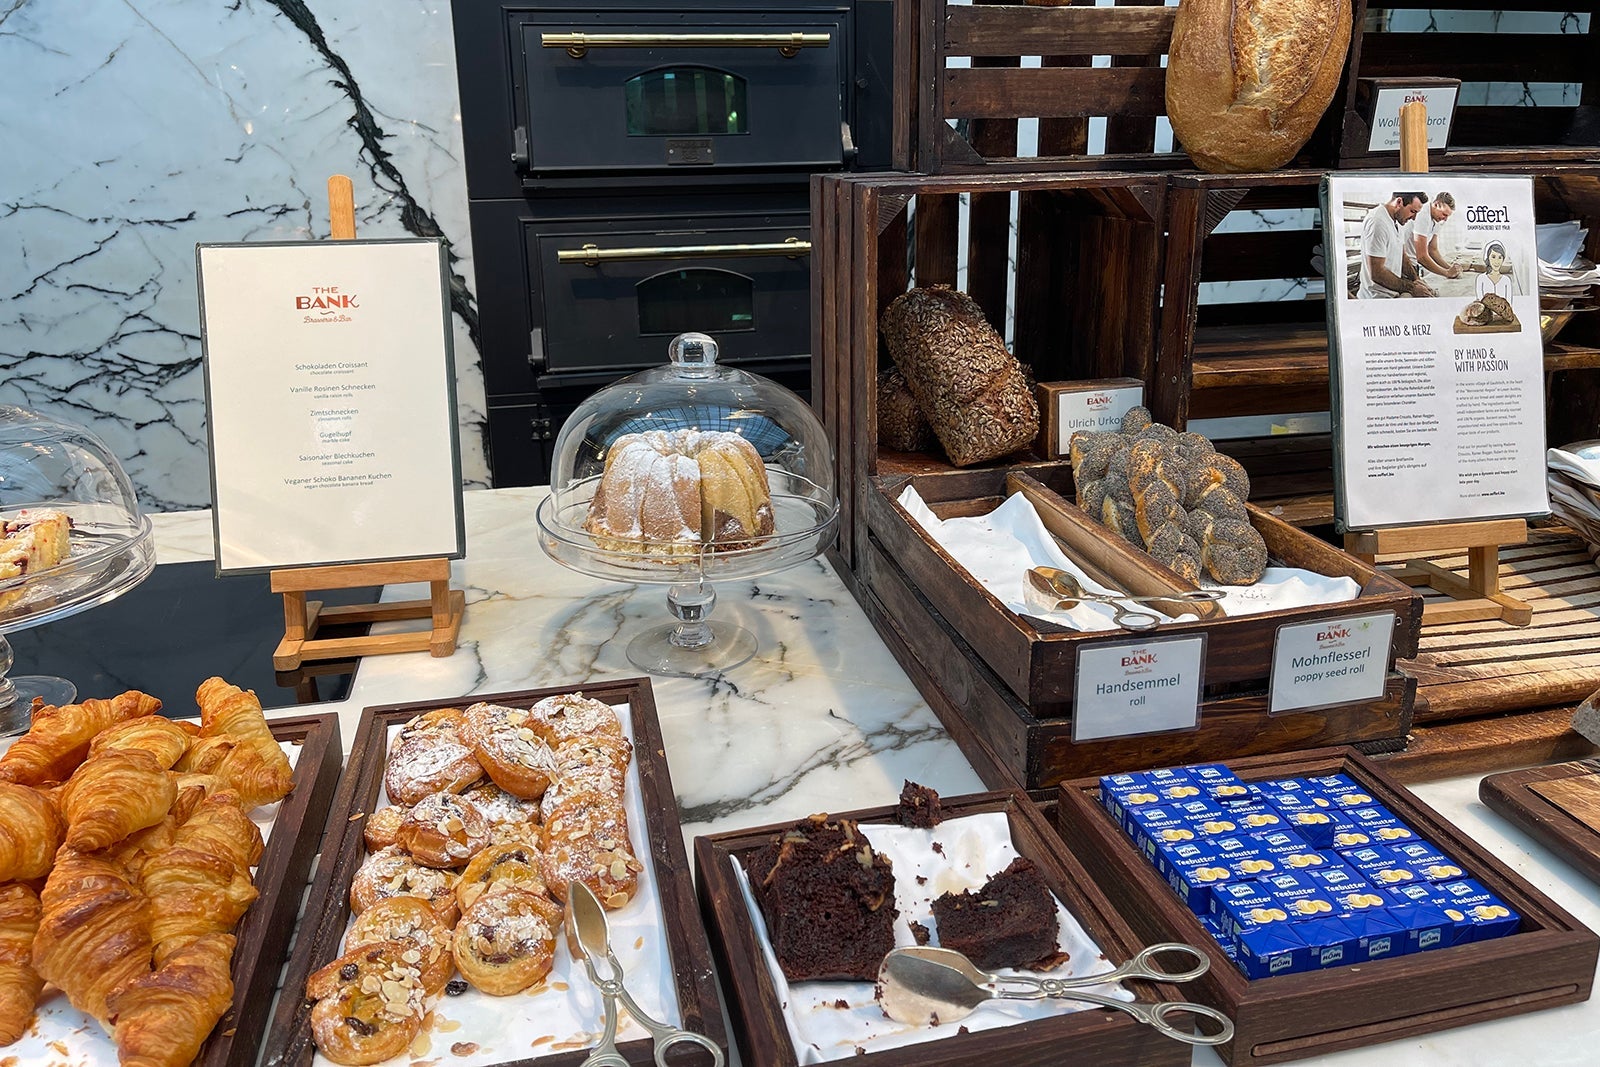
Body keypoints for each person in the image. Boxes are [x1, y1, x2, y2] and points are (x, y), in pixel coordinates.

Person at [1358, 192, 1434, 299]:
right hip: (1377, 298)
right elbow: (1377, 273)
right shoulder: (1377, 222)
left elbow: (1403, 256)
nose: (1414, 218)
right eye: (1412, 211)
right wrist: (1412, 288)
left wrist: (1416, 279)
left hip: (1393, 293)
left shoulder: (1399, 221)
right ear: (1399, 202)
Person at [1404, 191, 1461, 281]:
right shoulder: (1423, 214)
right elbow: (1421, 257)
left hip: (1414, 264)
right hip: (1404, 264)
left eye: (1447, 216)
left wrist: (1450, 268)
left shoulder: (1437, 220)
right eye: (1444, 214)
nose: (1445, 219)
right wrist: (1446, 273)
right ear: (1436, 204)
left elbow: (1433, 250)